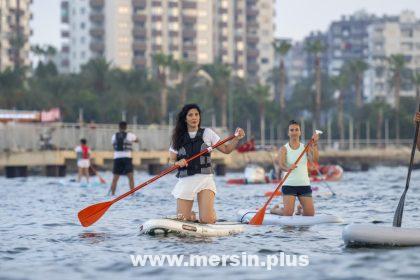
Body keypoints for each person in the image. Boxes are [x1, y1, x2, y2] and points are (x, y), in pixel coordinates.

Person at [169, 104, 245, 224]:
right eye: (190, 115)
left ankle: (209, 214)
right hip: (186, 180)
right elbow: (171, 160)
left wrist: (236, 138)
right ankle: (192, 216)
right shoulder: (178, 137)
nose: (194, 117)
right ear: (185, 119)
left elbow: (226, 149)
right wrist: (178, 162)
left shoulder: (208, 133)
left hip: (205, 179)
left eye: (196, 114)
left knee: (207, 221)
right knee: (182, 220)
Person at [270, 120, 320, 216]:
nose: (294, 132)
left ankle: (300, 210)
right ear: (288, 133)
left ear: (300, 132)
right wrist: (288, 168)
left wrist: (315, 144)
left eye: (296, 130)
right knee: (288, 213)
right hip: (289, 185)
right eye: (291, 130)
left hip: (304, 184)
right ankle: (274, 210)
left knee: (310, 215)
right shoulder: (283, 149)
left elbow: (314, 159)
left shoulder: (305, 148)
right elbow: (281, 165)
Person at [110, 121, 139, 195]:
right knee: (130, 178)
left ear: (119, 127)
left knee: (115, 178)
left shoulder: (114, 136)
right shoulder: (130, 135)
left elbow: (114, 146)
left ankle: (112, 194)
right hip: (127, 158)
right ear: (126, 127)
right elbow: (137, 140)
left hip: (117, 158)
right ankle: (132, 193)